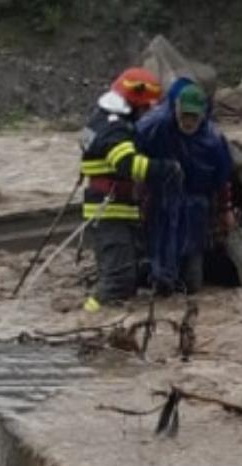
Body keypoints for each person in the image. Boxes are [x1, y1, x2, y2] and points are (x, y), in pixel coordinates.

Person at [79, 67, 183, 313]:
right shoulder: (114, 128)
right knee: (118, 280)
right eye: (146, 107)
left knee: (130, 274)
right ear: (134, 102)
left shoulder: (101, 119)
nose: (147, 113)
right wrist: (166, 168)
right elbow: (128, 165)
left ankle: (105, 320)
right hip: (109, 210)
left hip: (115, 208)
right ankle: (87, 320)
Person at [135, 77, 236, 295]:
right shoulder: (156, 127)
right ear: (176, 108)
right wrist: (140, 199)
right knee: (160, 253)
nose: (188, 121)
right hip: (161, 200)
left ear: (203, 114)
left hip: (196, 204)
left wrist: (225, 210)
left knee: (193, 267)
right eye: (184, 115)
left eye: (193, 116)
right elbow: (135, 158)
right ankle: (158, 279)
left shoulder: (214, 140)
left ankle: (188, 287)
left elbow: (222, 179)